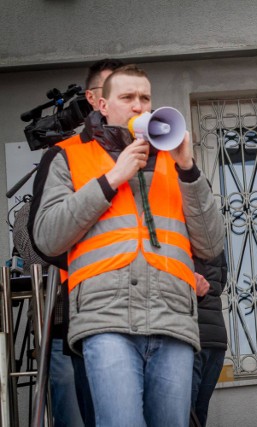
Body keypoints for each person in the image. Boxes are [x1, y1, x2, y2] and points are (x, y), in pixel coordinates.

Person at [32, 64, 225, 427]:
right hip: (106, 319)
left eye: (145, 98)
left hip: (172, 319)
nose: (139, 107)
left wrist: (188, 167)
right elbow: (47, 236)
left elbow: (211, 244)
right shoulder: (67, 155)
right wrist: (112, 178)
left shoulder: (173, 158)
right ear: (102, 105)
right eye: (127, 98)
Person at [25, 58, 124, 427]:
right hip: (87, 315)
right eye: (116, 92)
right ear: (95, 100)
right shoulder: (67, 155)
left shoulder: (157, 154)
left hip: (155, 318)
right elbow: (38, 239)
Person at [191, 253, 228, 426]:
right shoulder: (216, 245)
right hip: (217, 338)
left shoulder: (183, 241)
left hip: (194, 336)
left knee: (185, 411)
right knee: (200, 411)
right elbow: (221, 282)